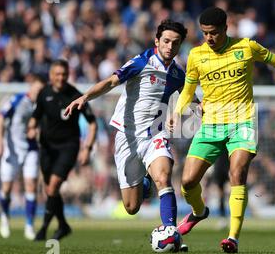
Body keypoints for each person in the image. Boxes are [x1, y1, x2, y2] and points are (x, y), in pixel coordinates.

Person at [167, 7, 275, 253]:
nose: (209, 38)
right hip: (210, 125)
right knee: (187, 182)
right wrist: (177, 112)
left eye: (213, 33)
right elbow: (188, 91)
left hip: (243, 122)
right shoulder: (197, 56)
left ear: (225, 29)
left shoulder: (246, 47)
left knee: (237, 173)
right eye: (204, 33)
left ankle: (233, 237)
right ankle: (199, 212)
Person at [65, 20, 195, 234]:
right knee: (131, 207)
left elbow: (188, 98)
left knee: (164, 177)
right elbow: (110, 82)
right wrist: (85, 97)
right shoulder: (141, 62)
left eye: (175, 43)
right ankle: (145, 182)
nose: (170, 46)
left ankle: (170, 233)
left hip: (155, 134)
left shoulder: (178, 75)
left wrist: (199, 109)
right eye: (166, 41)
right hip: (127, 135)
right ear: (157, 41)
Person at [27, 59, 98, 241]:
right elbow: (35, 117)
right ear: (51, 76)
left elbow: (92, 124)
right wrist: (32, 127)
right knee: (50, 191)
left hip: (68, 146)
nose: (61, 78)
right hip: (47, 147)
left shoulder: (75, 95)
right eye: (57, 74)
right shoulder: (44, 93)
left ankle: (43, 228)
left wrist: (87, 148)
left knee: (53, 186)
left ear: (68, 75)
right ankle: (63, 225)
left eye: (64, 74)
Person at [0, 74, 46, 240]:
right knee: (7, 188)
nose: (38, 93)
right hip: (12, 149)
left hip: (31, 149)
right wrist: (0, 142)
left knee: (31, 185)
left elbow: (44, 128)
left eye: (41, 90)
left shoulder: (42, 106)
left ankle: (29, 225)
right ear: (31, 87)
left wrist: (37, 132)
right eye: (37, 89)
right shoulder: (17, 100)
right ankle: (4, 217)